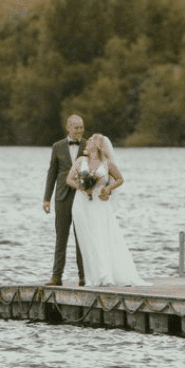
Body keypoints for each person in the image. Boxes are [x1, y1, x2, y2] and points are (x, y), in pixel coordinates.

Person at [65, 133, 149, 287]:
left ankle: (106, 275)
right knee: (88, 239)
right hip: (81, 204)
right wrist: (82, 187)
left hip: (100, 204)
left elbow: (120, 179)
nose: (87, 142)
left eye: (91, 140)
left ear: (97, 145)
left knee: (101, 236)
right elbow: (69, 179)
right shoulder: (80, 161)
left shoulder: (107, 163)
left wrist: (108, 188)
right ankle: (94, 275)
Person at [43, 114, 87, 286]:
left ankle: (83, 276)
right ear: (68, 127)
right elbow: (52, 173)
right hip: (62, 197)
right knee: (61, 238)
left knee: (82, 238)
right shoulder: (58, 146)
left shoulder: (88, 145)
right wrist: (46, 199)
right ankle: (56, 276)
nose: (79, 131)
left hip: (82, 198)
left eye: (81, 127)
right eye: (76, 127)